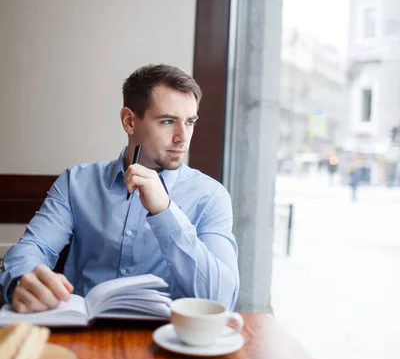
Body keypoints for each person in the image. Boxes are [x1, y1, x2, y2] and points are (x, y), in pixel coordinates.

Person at [0, 64, 239, 313]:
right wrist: (21, 281)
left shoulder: (211, 197)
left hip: (167, 340)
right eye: (168, 121)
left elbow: (222, 299)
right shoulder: (77, 183)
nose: (182, 137)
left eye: (190, 122)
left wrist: (166, 213)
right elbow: (33, 247)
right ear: (129, 121)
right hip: (83, 334)